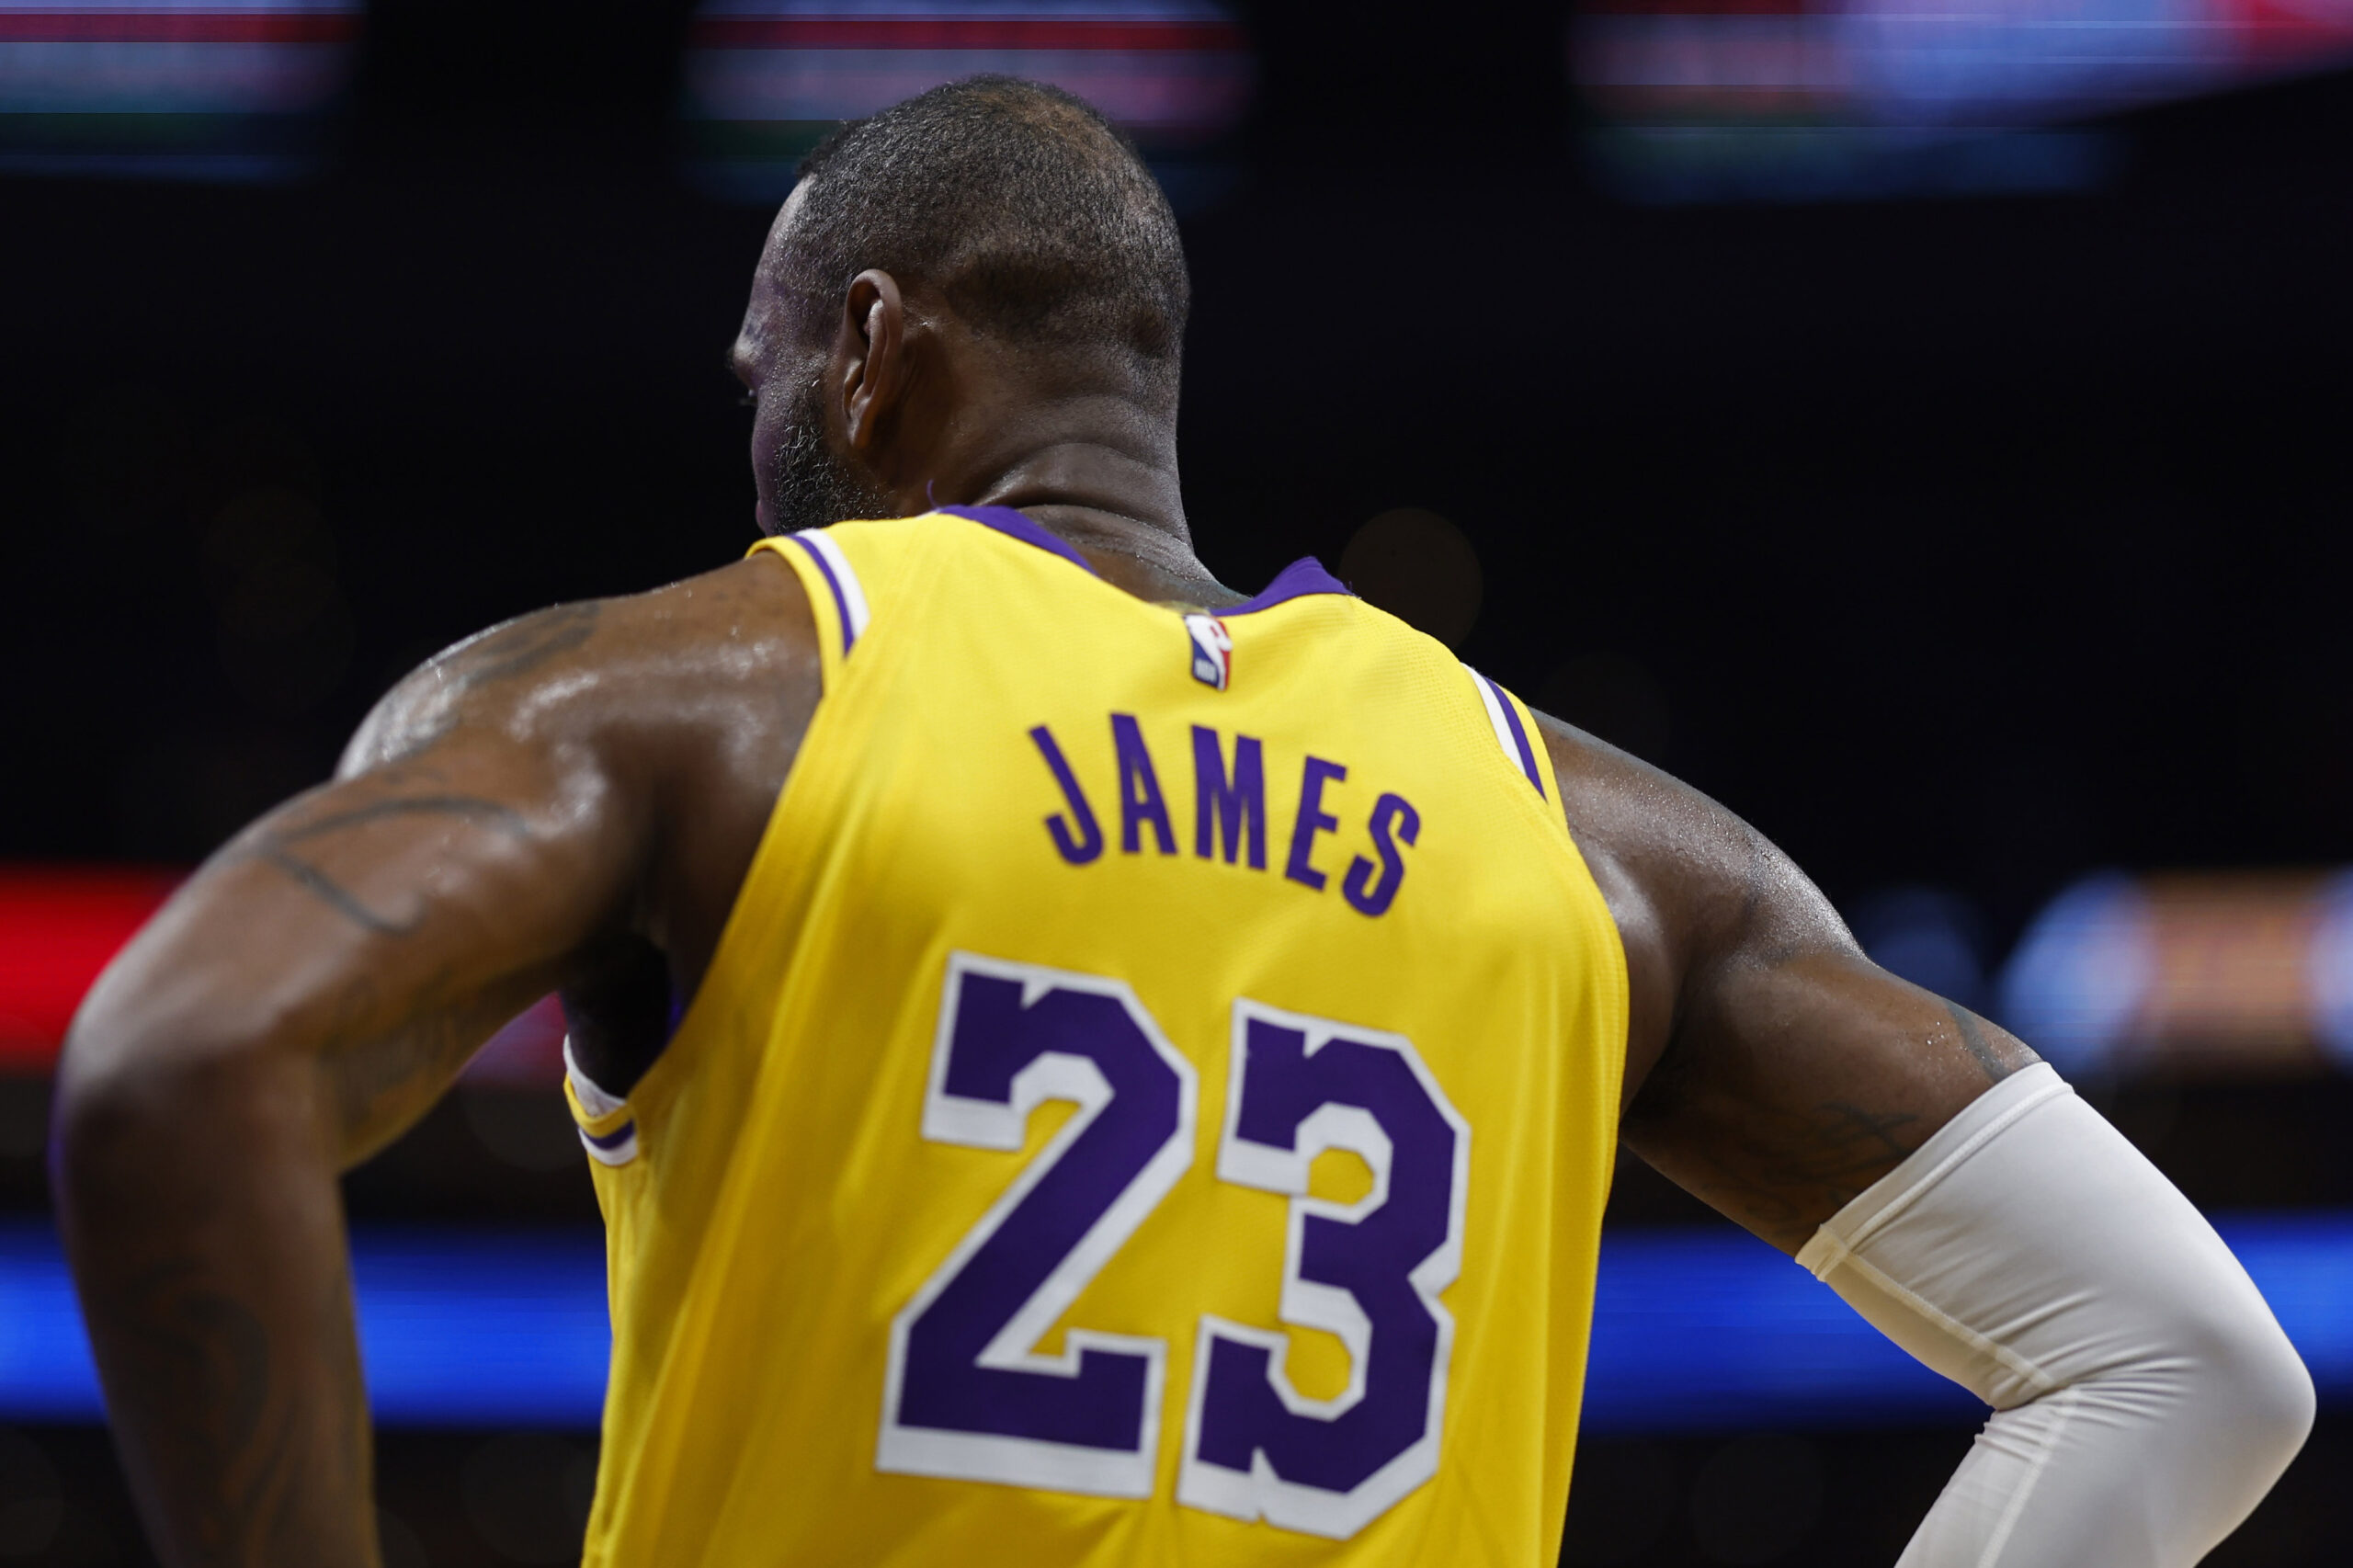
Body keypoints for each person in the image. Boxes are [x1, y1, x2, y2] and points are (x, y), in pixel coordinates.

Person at [58, 77, 2310, 1568]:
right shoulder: (1607, 840)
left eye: (754, 376)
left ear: (863, 350)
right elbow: (2184, 1368)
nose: (751, 432)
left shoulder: (687, 690)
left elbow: (176, 1064)